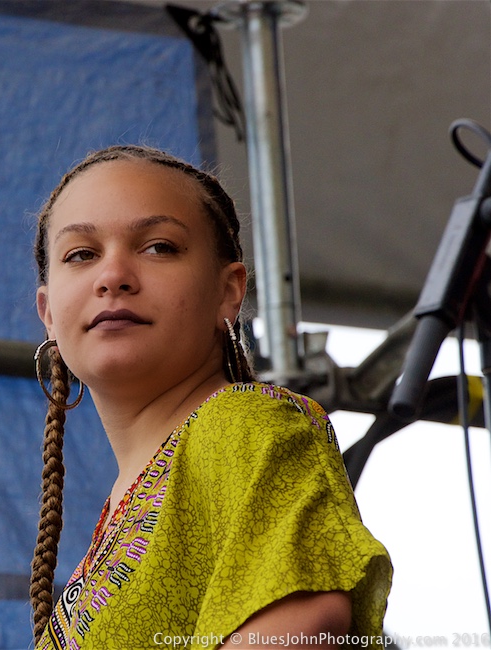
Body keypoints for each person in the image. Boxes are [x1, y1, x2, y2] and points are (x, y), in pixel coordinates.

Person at [28, 144, 391, 650]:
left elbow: (298, 632)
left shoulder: (244, 424)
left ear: (229, 290)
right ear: (47, 312)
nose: (112, 277)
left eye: (158, 247)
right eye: (81, 255)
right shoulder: (124, 501)